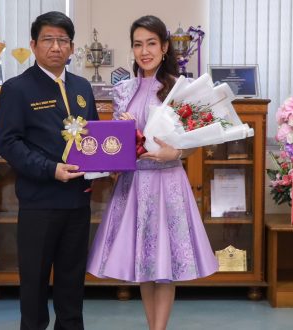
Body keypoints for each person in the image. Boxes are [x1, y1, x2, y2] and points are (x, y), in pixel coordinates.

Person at [86, 15, 218, 330]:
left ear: (164, 47)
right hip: (134, 182)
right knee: (143, 264)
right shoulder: (123, 90)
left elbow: (198, 139)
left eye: (151, 43)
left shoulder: (182, 88)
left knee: (165, 263)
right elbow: (117, 144)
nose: (144, 51)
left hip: (169, 180)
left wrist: (178, 153)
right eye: (138, 44)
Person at [0, 11, 99, 330]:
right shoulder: (17, 88)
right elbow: (8, 143)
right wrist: (50, 169)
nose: (56, 47)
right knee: (35, 286)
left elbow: (92, 137)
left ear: (71, 47)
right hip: (40, 202)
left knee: (72, 287)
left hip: (78, 203)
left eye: (63, 40)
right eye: (48, 40)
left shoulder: (82, 86)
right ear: (34, 44)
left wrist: (108, 163)